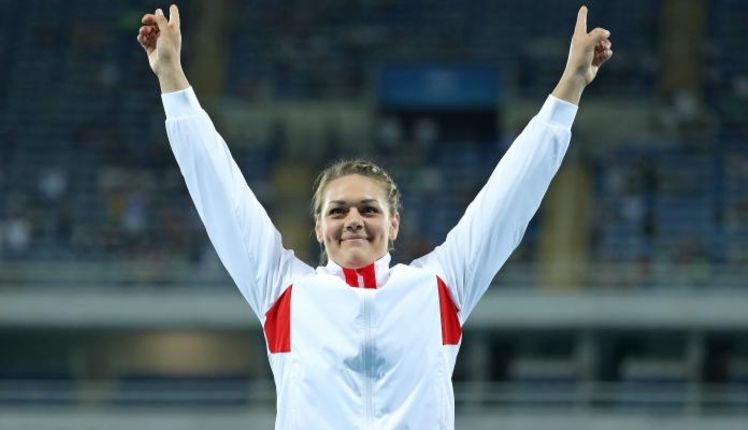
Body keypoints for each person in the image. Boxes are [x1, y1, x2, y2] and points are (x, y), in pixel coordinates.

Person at [138, 4, 612, 429]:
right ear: (319, 228)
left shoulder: (438, 286)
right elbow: (221, 193)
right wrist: (171, 79)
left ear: (395, 224)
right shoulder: (283, 291)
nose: (353, 220)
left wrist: (569, 86)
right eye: (337, 210)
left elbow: (510, 196)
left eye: (369, 209)